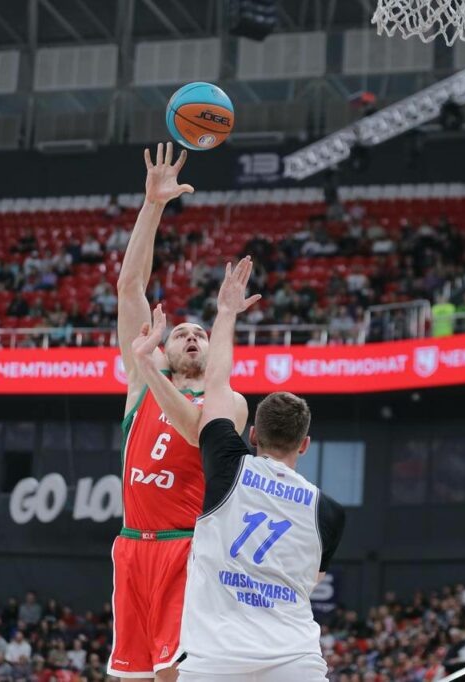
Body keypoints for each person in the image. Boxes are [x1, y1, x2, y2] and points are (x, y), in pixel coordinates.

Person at [135, 257, 345, 681]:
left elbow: (216, 381)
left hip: (215, 660)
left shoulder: (228, 469)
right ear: (304, 444)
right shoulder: (329, 512)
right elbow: (311, 579)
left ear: (251, 435)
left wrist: (227, 312)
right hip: (294, 660)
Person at [110, 143, 250, 682]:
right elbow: (128, 288)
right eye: (182, 333)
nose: (191, 337)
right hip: (131, 546)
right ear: (165, 347)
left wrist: (149, 368)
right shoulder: (141, 380)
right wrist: (153, 205)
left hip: (185, 548)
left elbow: (195, 433)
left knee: (173, 675)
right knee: (131, 677)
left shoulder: (227, 401)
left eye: (201, 334)